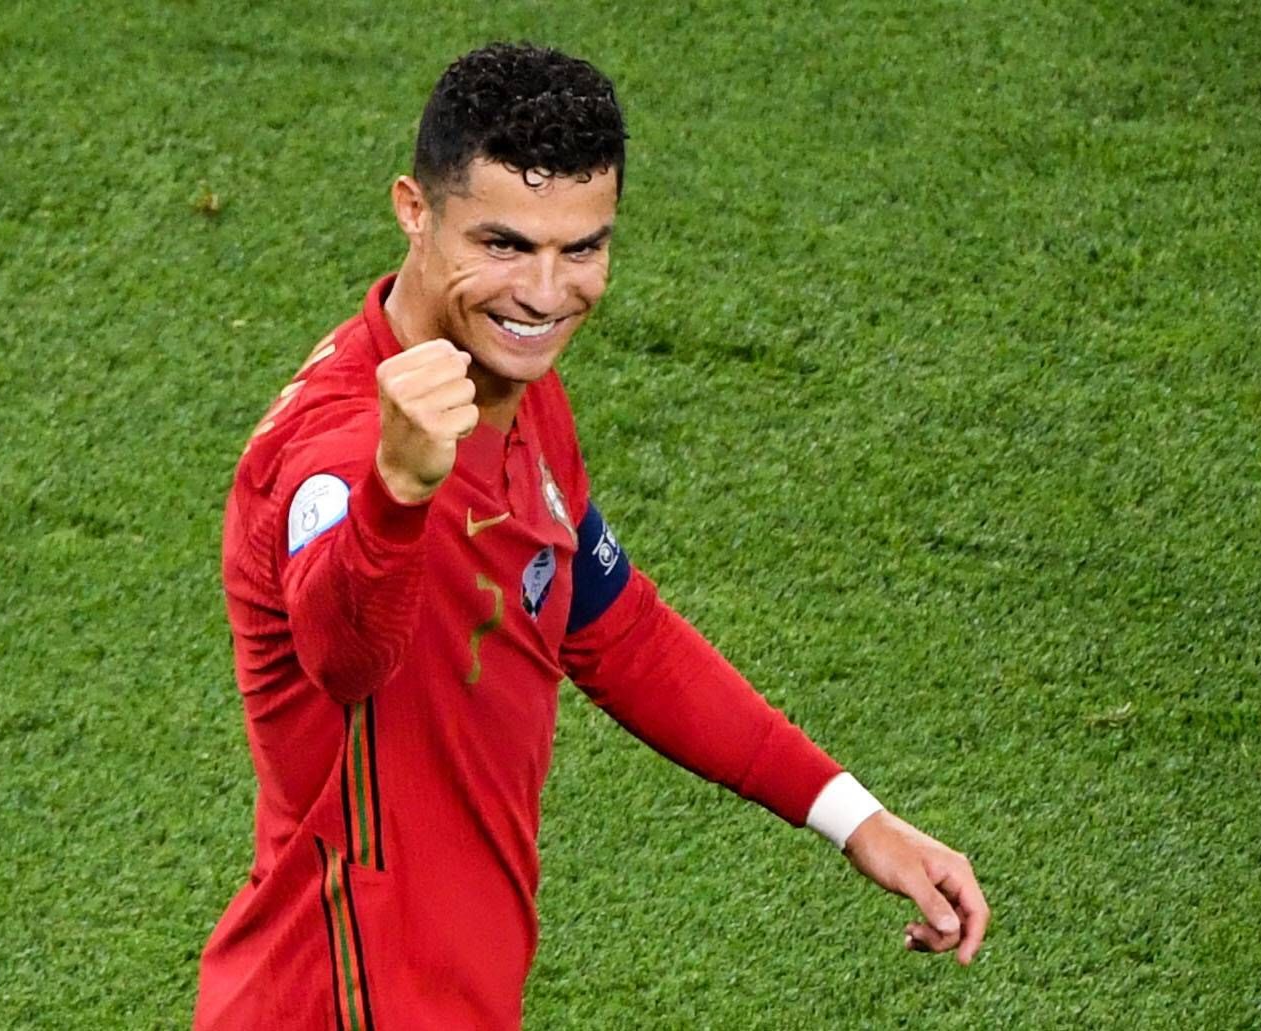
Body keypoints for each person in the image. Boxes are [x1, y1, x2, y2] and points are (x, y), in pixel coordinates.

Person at [197, 42, 989, 1031]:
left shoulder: (513, 386)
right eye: (503, 244)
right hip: (345, 996)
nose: (543, 293)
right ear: (412, 209)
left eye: (580, 249)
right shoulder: (338, 451)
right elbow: (340, 657)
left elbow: (612, 625)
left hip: (449, 988)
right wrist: (395, 493)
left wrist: (850, 815)